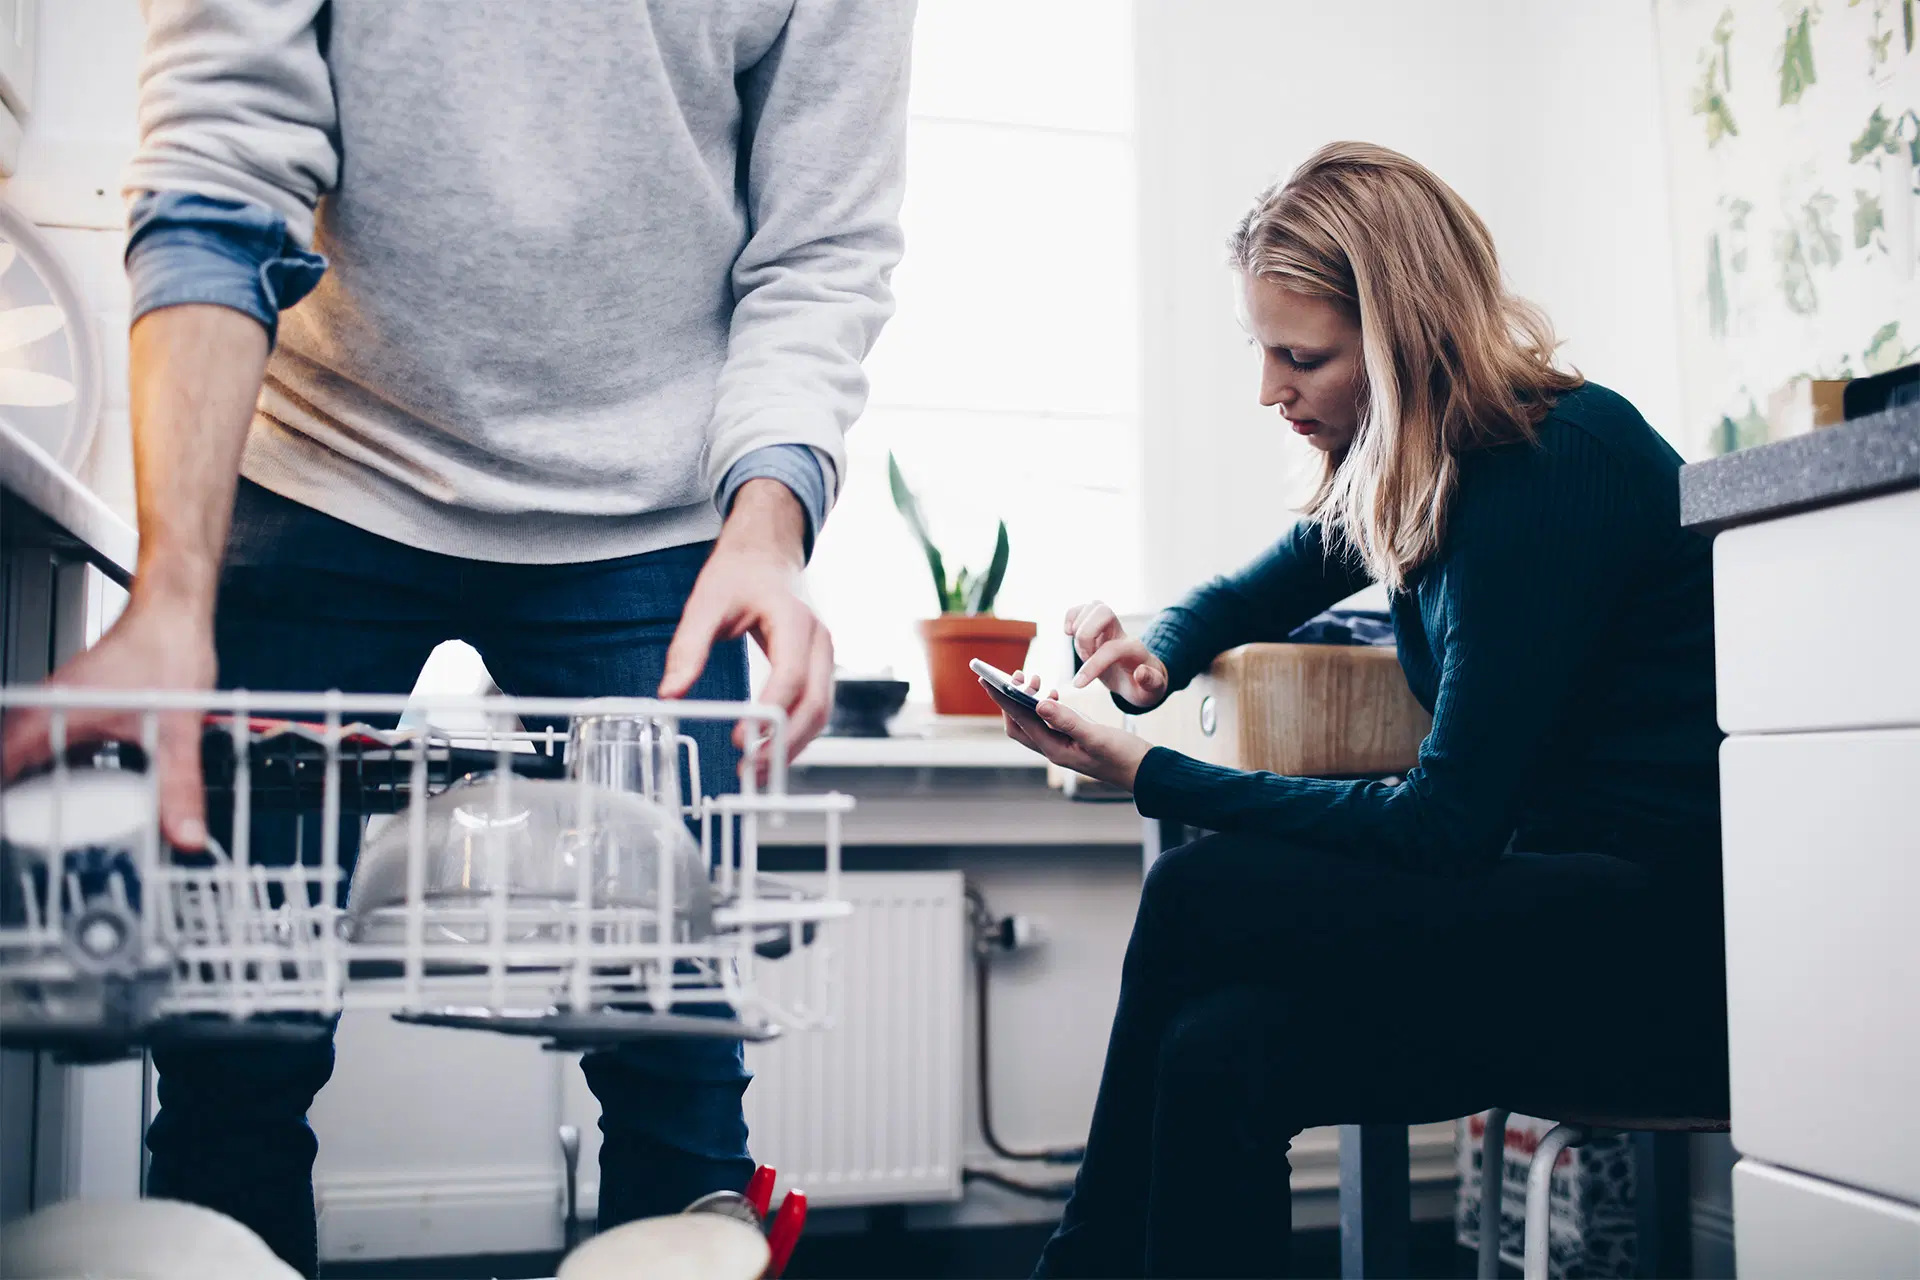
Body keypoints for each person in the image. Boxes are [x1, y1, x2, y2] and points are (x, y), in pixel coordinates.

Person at [0, 1, 912, 1274]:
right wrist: (171, 595)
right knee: (233, 1041)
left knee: (678, 1068)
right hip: (319, 461)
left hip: (649, 511)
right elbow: (220, 149)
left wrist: (765, 524)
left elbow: (820, 248)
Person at [981, 142, 1728, 1278]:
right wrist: (1157, 652)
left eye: (1302, 356)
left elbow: (1446, 826)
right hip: (1554, 910)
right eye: (1262, 349)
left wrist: (1148, 772)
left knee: (1196, 884)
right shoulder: (1437, 461)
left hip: (1660, 952)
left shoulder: (1547, 463)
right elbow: (1258, 586)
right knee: (1215, 1048)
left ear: (1404, 337)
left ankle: (1075, 1264)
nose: (1271, 389)